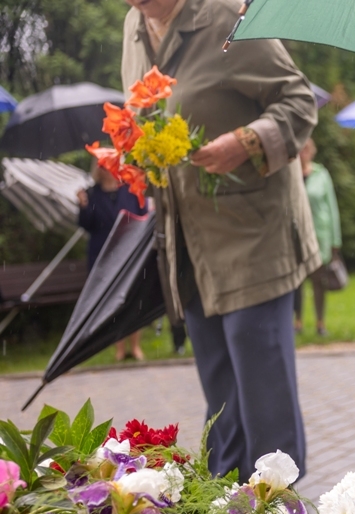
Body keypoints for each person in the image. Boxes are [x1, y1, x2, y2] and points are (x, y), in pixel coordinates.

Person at [121, 0, 319, 482]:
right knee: (221, 405)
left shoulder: (227, 18)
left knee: (263, 401)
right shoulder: (133, 27)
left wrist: (246, 141)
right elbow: (146, 116)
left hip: (254, 239)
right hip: (188, 246)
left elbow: (299, 102)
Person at [77, 160, 148, 362]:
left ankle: (135, 347)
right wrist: (83, 206)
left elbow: (142, 216)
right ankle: (118, 347)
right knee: (110, 302)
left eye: (111, 164)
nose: (108, 169)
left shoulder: (131, 189)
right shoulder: (90, 193)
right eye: (104, 165)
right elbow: (86, 225)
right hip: (102, 253)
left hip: (129, 250)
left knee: (133, 298)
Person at [293, 138, 342, 337]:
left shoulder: (321, 175)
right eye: (300, 150)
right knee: (297, 283)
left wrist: (335, 242)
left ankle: (320, 323)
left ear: (311, 152)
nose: (303, 154)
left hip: (319, 236)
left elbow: (332, 209)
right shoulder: (291, 175)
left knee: (319, 282)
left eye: (306, 150)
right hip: (296, 236)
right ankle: (298, 322)